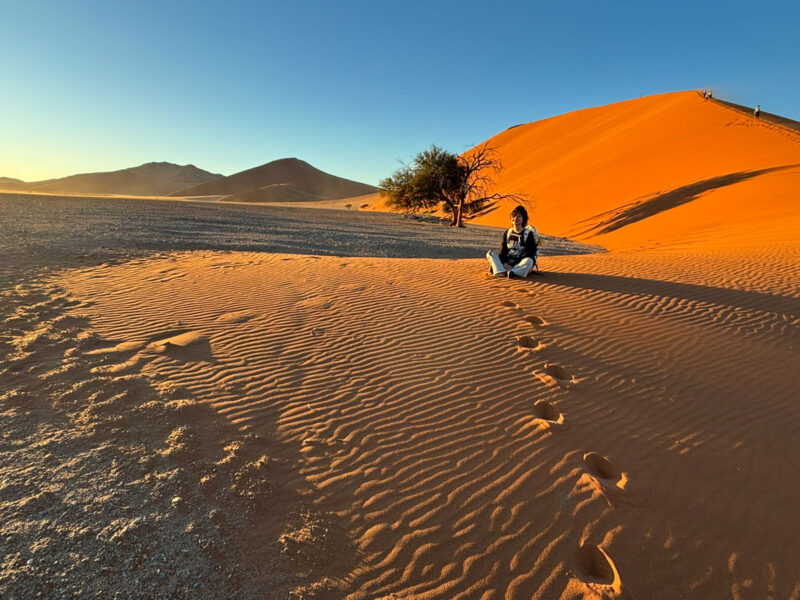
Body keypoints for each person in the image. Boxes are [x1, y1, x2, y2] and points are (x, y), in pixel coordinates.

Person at [486, 205, 539, 278]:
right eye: (514, 216)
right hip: (508, 261)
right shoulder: (508, 232)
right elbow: (503, 250)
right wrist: (505, 263)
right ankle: (503, 272)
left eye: (519, 216)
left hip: (520, 262)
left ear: (524, 219)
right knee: (490, 254)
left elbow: (530, 252)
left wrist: (513, 265)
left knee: (529, 261)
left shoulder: (528, 234)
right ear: (511, 218)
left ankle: (509, 271)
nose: (516, 218)